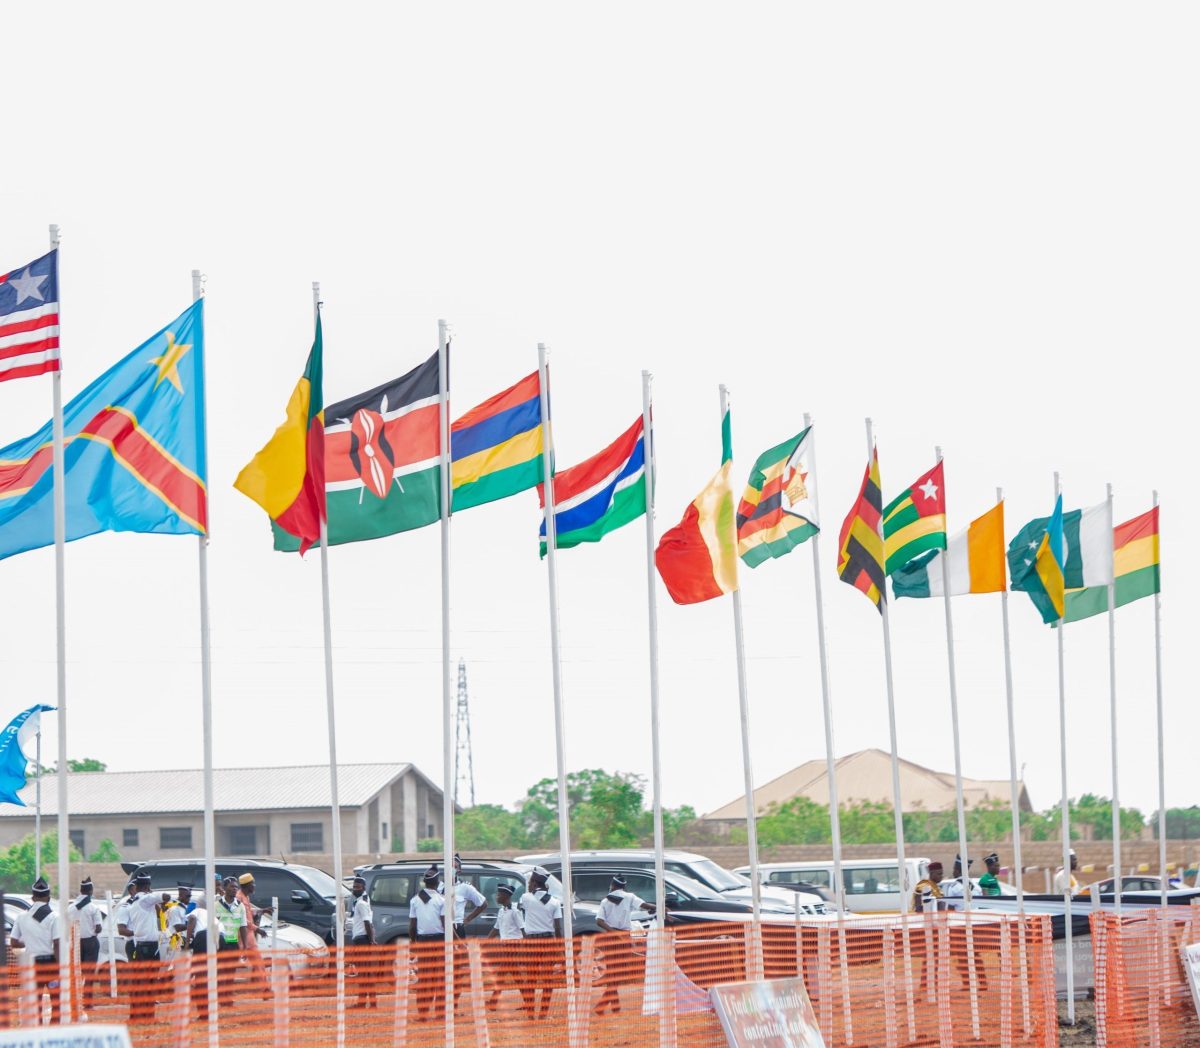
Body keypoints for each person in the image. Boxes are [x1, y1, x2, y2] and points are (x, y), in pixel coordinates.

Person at [593, 875, 655, 1015]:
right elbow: (644, 905)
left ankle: (613, 1007)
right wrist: (659, 907)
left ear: (612, 885)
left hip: (610, 938)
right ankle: (605, 1007)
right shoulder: (629, 897)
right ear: (624, 886)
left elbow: (599, 921)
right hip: (624, 937)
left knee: (613, 973)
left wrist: (613, 932)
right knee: (619, 973)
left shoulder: (605, 901)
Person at [9, 877, 61, 1024]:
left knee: (35, 1001)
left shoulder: (21, 917)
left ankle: (38, 1028)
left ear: (32, 898)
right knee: (56, 999)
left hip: (32, 965)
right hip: (50, 965)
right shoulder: (54, 917)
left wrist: (29, 941)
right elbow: (57, 944)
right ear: (48, 898)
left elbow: (14, 943)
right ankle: (54, 1028)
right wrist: (60, 967)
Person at [517, 868, 563, 1020]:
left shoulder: (525, 898)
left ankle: (531, 1014)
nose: (529, 885)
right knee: (548, 979)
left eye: (530, 882)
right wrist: (560, 948)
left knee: (531, 978)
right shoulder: (555, 902)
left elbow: (521, 909)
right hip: (548, 941)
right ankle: (543, 1013)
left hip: (531, 942)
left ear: (535, 883)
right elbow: (558, 928)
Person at [408, 867, 447, 1021]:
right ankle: (440, 1013)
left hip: (423, 942)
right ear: (437, 882)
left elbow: (412, 925)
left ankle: (423, 1013)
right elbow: (445, 923)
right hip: (439, 941)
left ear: (424, 882)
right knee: (440, 978)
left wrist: (413, 942)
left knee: (424, 979)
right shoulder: (442, 900)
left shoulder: (415, 900)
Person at [125, 873, 165, 1022]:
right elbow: (165, 896)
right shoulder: (145, 900)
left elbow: (158, 912)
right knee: (149, 983)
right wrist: (153, 895)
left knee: (143, 983)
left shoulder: (135, 902)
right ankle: (147, 1016)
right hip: (148, 947)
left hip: (141, 946)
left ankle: (142, 1015)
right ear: (148, 886)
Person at [486, 883, 528, 1013]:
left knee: (502, 974)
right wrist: (485, 942)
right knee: (515, 975)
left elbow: (523, 929)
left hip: (513, 945)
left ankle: (493, 1002)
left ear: (505, 896)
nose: (496, 897)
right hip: (505, 945)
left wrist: (528, 946)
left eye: (499, 895)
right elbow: (496, 928)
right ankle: (528, 1001)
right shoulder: (501, 910)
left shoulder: (515, 911)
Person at [67, 876, 104, 1012]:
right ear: (90, 891)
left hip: (75, 943)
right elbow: (98, 928)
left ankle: (75, 1001)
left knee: (75, 973)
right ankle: (88, 1003)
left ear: (81, 890)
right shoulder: (93, 908)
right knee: (89, 974)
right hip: (90, 942)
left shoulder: (71, 908)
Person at [348, 875, 378, 1010]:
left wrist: (371, 940)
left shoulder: (361, 903)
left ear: (363, 888)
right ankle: (371, 1003)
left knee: (364, 974)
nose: (355, 889)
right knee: (366, 973)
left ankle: (364, 1003)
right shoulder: (364, 900)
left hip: (362, 940)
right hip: (362, 939)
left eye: (358, 887)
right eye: (354, 887)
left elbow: (367, 922)